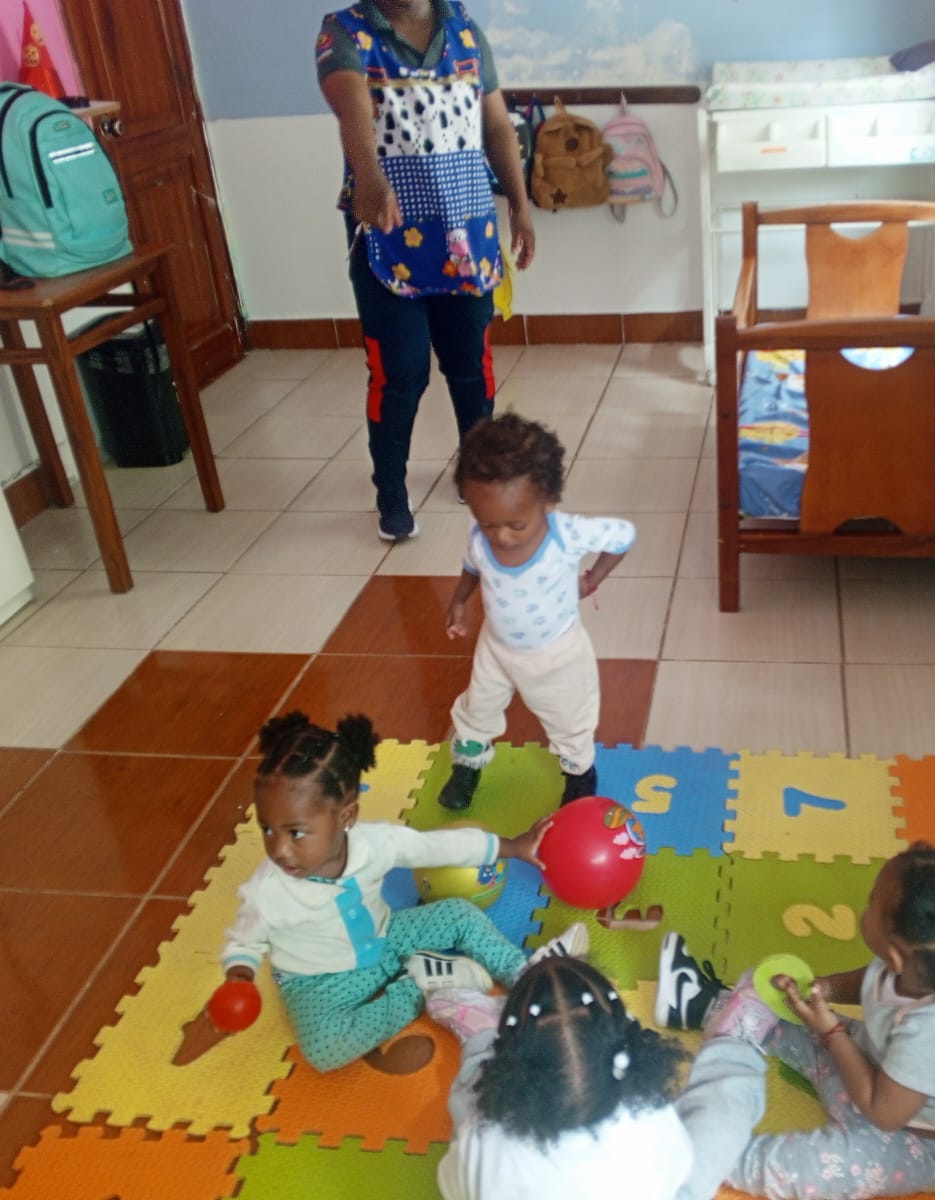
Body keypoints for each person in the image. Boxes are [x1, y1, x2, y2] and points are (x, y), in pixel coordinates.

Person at [655, 844, 935, 1199]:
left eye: (871, 904)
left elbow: (883, 1113)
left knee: (810, 1168)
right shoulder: (919, 968)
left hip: (914, 1139)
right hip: (871, 1065)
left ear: (896, 955)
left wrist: (832, 1032)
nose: (864, 908)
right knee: (781, 1002)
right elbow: (872, 979)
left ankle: (709, 1157)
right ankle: (698, 1002)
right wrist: (824, 989)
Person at [219, 710, 586, 1072]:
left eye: (296, 833)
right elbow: (244, 942)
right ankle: (424, 982)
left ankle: (524, 973)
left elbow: (441, 847)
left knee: (458, 913)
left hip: (388, 938)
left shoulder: (375, 843)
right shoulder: (267, 889)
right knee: (324, 1050)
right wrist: (239, 977)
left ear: (346, 817)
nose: (279, 849)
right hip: (318, 982)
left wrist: (512, 847)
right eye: (267, 829)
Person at [317, 0, 536, 542]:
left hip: (466, 235)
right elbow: (351, 107)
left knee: (470, 365)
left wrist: (520, 204)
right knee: (400, 373)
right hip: (387, 235)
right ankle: (391, 492)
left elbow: (495, 125)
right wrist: (369, 175)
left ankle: (477, 471)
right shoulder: (344, 32)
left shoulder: (464, 30)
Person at [426, 955, 769, 1200]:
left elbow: (455, 1185)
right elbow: (677, 1169)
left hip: (489, 1137)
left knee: (475, 1093)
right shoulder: (648, 1116)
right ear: (623, 1046)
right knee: (722, 1112)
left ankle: (481, 1035)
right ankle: (733, 1041)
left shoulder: (483, 1138)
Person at [438, 413, 635, 810]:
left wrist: (591, 580)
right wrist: (459, 600)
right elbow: (473, 564)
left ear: (548, 502)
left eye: (516, 525)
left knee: (570, 721)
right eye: (488, 523)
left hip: (557, 655)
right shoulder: (481, 533)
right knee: (476, 712)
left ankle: (579, 776)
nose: (501, 536)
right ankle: (467, 767)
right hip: (495, 649)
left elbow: (623, 537)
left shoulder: (567, 533)